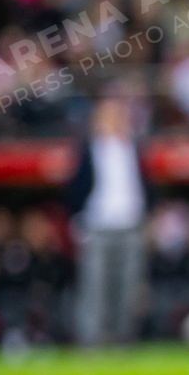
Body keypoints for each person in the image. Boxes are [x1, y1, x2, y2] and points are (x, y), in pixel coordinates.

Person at [66, 96, 148, 347]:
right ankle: (92, 341)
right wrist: (79, 219)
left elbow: (146, 185)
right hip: (98, 227)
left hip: (130, 226)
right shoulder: (89, 149)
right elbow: (74, 188)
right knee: (95, 286)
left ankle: (123, 339)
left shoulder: (134, 148)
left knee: (128, 287)